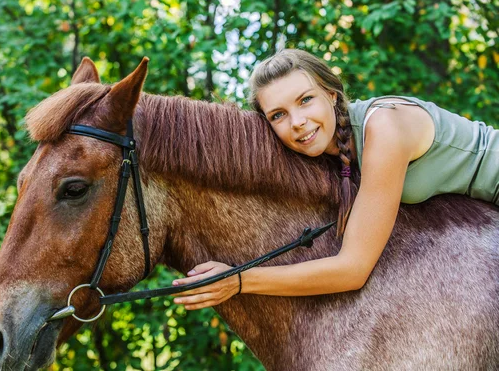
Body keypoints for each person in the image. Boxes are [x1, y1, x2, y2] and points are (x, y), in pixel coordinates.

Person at [171, 48, 499, 310]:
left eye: (305, 99)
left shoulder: (384, 128)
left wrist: (238, 280)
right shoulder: (330, 153)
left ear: (330, 94)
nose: (297, 122)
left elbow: (353, 269)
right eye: (278, 115)